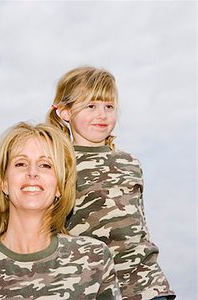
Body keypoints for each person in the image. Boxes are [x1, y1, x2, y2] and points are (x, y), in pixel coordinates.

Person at [0, 122, 121, 299]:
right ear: (3, 182)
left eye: (45, 165)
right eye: (21, 164)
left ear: (59, 186)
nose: (32, 172)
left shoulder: (94, 259)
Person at [46, 66, 176, 300]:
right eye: (91, 106)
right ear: (65, 111)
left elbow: (140, 229)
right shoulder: (57, 163)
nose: (102, 115)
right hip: (88, 287)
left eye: (109, 106)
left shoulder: (130, 163)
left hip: (145, 286)